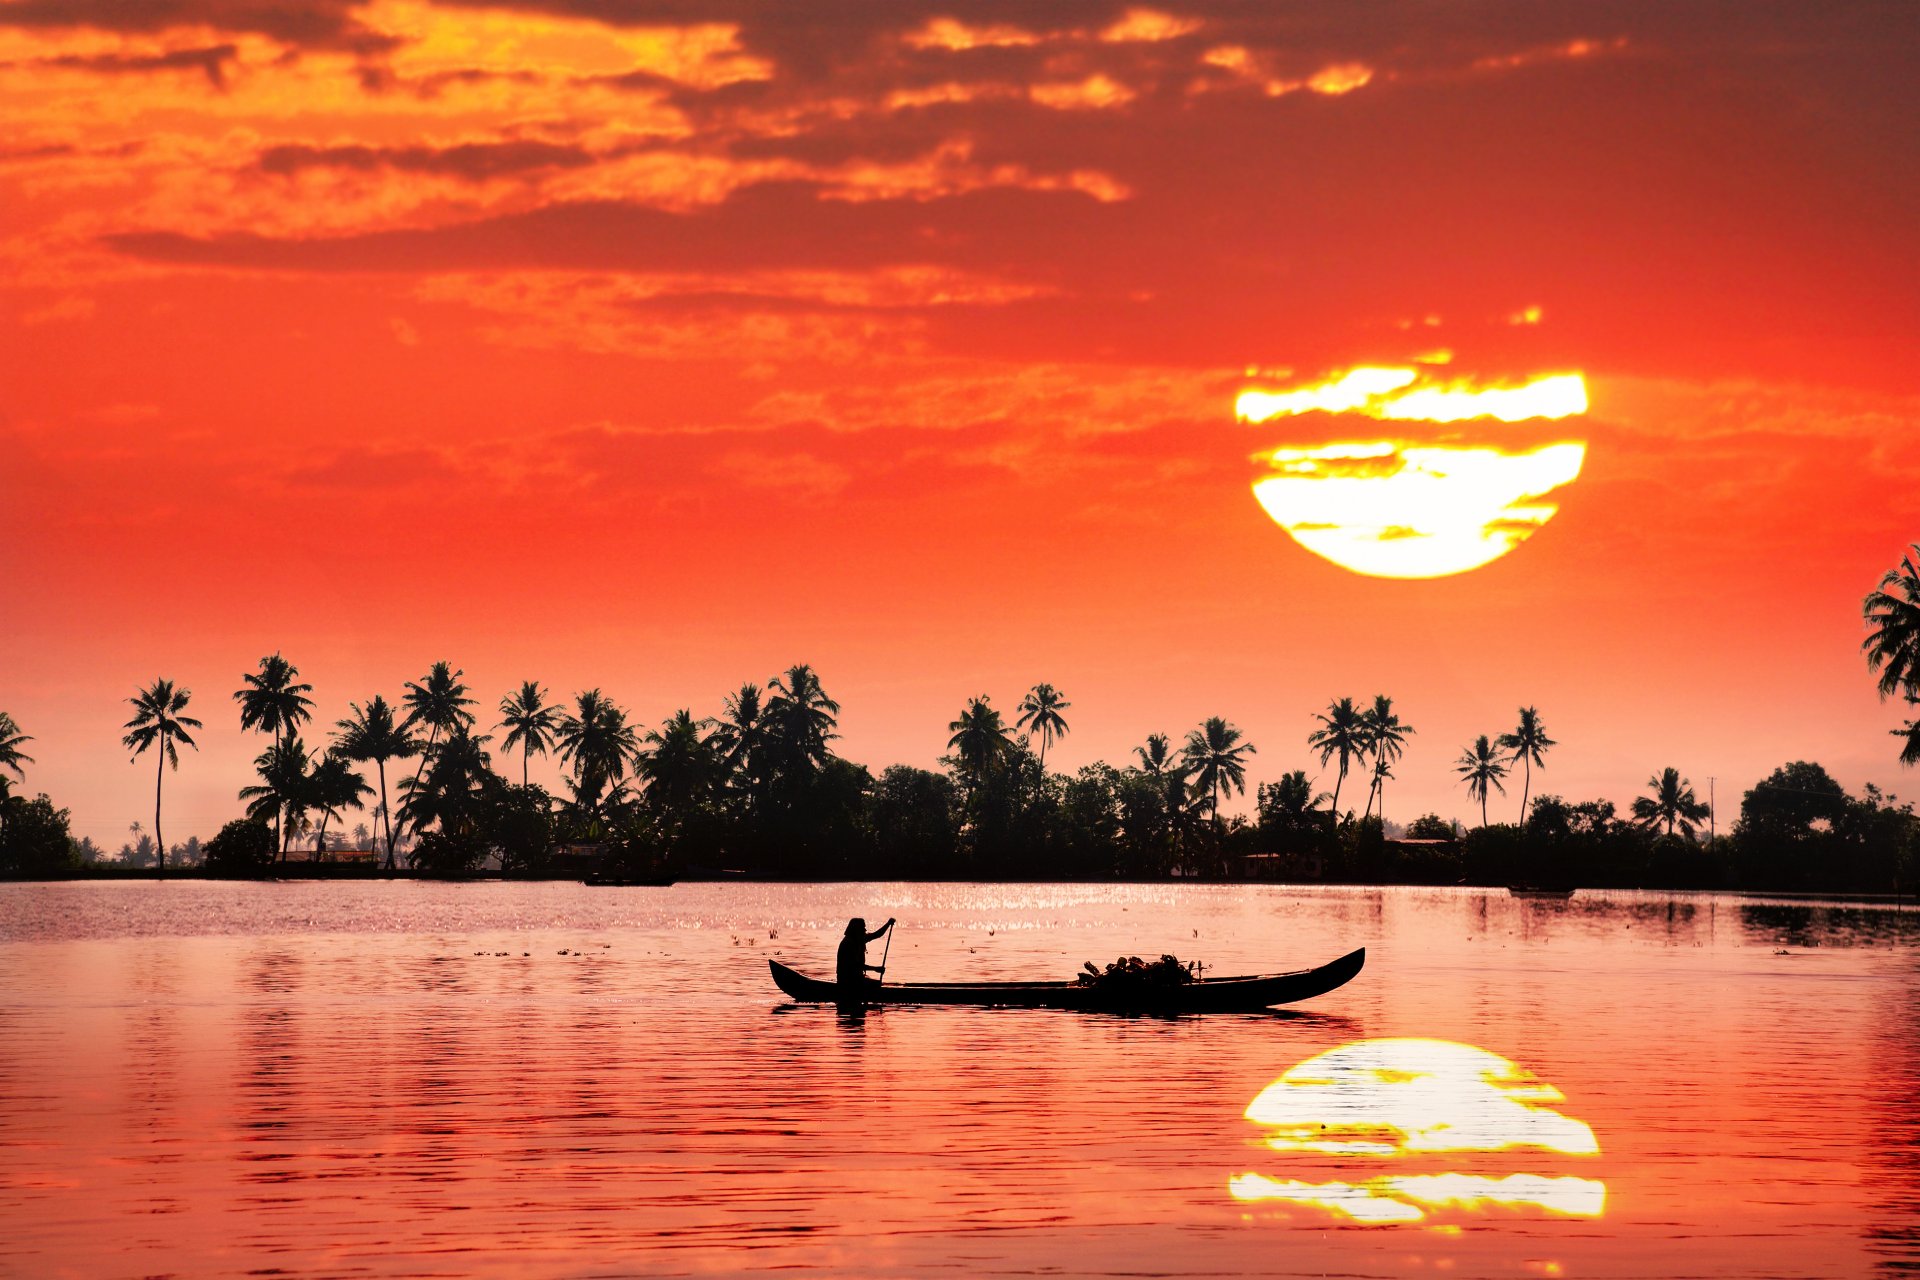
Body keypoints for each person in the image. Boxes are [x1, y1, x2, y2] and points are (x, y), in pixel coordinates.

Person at [836, 917, 895, 991]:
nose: (865, 930)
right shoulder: (848, 943)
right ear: (856, 929)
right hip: (847, 980)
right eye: (863, 927)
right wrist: (875, 968)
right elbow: (856, 965)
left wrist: (888, 924)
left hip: (857, 978)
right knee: (876, 985)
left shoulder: (860, 938)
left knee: (876, 983)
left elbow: (877, 934)